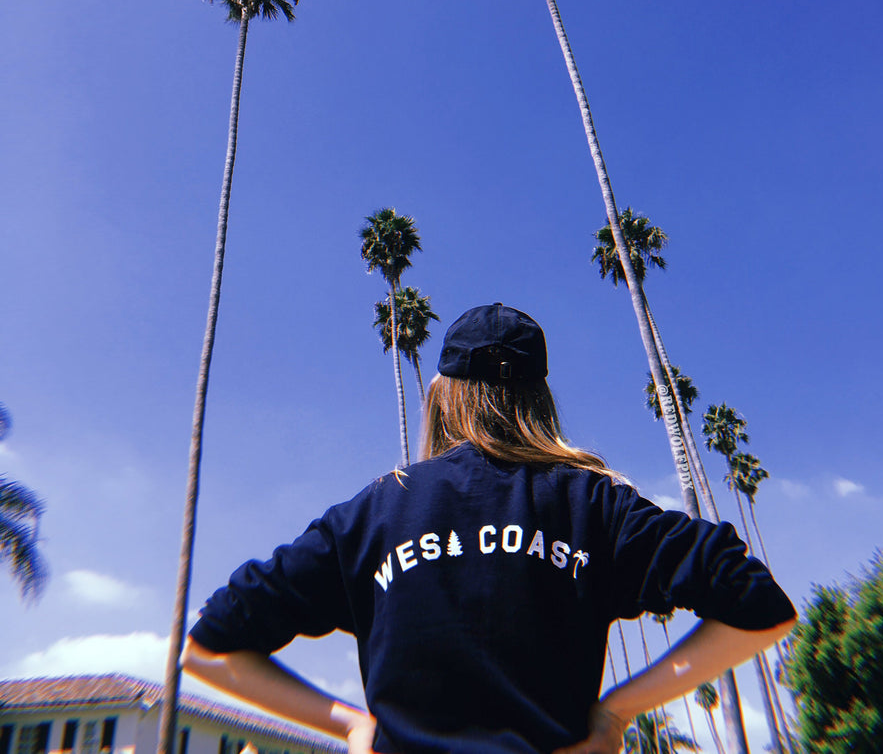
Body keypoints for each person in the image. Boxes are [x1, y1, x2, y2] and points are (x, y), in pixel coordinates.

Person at [184, 303, 796, 754]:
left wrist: (350, 723)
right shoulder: (592, 505)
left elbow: (208, 647)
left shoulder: (378, 510)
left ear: (441, 394)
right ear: (541, 400)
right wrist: (614, 715)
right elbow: (759, 605)